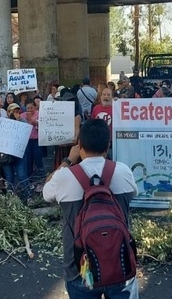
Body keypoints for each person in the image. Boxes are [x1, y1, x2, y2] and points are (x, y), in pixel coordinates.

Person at [42, 119, 138, 299]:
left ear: (79, 145)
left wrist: (68, 160)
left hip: (79, 267)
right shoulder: (123, 171)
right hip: (120, 263)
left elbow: (46, 191)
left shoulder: (64, 177)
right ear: (108, 145)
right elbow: (133, 195)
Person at [4, 103, 31, 201]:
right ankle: (11, 198)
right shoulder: (3, 122)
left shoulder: (22, 121)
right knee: (9, 176)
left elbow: (27, 132)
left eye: (17, 111)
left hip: (19, 154)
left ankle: (28, 196)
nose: (15, 113)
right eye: (13, 111)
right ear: (8, 112)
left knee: (22, 174)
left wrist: (19, 120)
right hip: (7, 155)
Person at [21, 99, 44, 182]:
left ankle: (41, 180)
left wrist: (34, 121)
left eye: (31, 107)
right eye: (28, 108)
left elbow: (43, 125)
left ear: (35, 107)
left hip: (36, 141)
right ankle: (30, 181)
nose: (30, 110)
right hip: (26, 142)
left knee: (38, 160)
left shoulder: (39, 114)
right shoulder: (22, 115)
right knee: (28, 161)